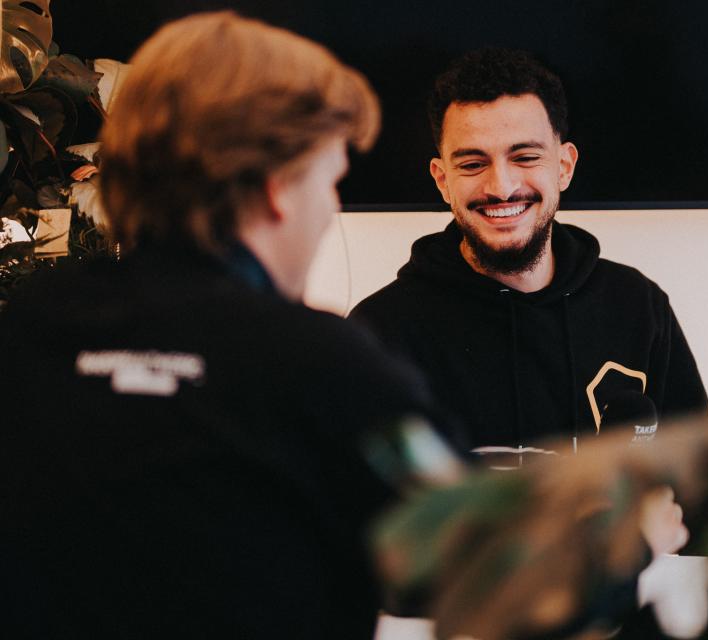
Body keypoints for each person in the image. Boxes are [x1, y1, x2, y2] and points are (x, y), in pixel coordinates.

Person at [0, 12, 438, 637]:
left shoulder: (30, 330)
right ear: (275, 186)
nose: (329, 212)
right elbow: (474, 562)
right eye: (330, 181)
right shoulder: (322, 363)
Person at [350, 47, 708, 556]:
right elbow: (357, 534)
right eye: (473, 163)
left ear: (564, 165)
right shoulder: (379, 334)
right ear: (442, 179)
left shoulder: (636, 307)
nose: (502, 185)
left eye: (525, 156)